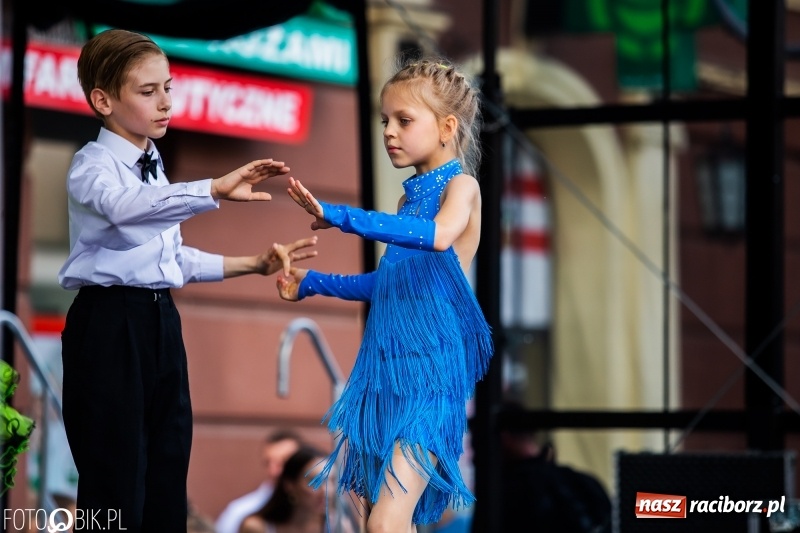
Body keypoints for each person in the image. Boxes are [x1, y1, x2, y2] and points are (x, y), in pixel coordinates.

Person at [58, 28, 317, 533]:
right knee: (114, 483)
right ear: (102, 100)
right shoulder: (90, 166)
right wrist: (214, 188)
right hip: (110, 326)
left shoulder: (153, 169)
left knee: (166, 475)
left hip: (159, 320)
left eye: (169, 87)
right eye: (147, 90)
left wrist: (254, 263)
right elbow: (126, 213)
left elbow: (172, 261)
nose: (165, 102)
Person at [276, 56, 493, 532]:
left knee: (385, 521)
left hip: (432, 376)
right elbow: (387, 284)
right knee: (384, 519)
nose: (389, 131)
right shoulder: (406, 200)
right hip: (387, 371)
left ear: (446, 127)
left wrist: (342, 216)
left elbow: (438, 236)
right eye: (384, 121)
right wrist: (310, 284)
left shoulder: (462, 186)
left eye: (404, 120)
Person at [499, 402, 612, 532]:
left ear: (504, 438)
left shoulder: (506, 495)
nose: (471, 456)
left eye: (475, 444)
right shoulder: (581, 483)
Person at [238, 445, 353, 533]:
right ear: (290, 486)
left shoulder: (340, 527)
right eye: (315, 481)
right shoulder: (257, 527)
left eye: (331, 481)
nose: (326, 491)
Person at [216, 430, 304, 533]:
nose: (273, 471)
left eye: (283, 462)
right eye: (268, 463)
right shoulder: (240, 512)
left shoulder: (318, 510)